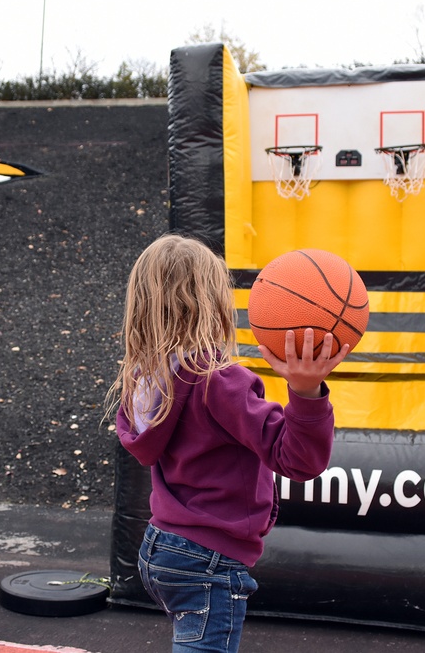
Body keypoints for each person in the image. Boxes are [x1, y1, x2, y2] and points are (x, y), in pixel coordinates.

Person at [110, 234, 349, 652]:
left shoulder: (146, 378)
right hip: (207, 559)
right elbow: (298, 460)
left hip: (161, 549)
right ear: (217, 303)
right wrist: (306, 392)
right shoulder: (220, 383)